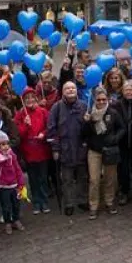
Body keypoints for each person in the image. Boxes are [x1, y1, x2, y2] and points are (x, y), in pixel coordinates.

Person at [46, 81, 88, 217]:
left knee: (82, 177)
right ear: (63, 91)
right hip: (65, 150)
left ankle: (82, 200)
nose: (70, 90)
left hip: (81, 148)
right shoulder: (56, 108)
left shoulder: (83, 106)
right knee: (67, 179)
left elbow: (89, 129)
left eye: (73, 88)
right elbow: (51, 130)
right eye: (67, 88)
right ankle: (69, 203)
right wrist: (55, 149)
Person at [82, 87, 124, 220]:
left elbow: (122, 128)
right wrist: (86, 122)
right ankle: (93, 205)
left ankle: (109, 202)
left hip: (110, 150)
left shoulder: (113, 112)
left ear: (107, 100)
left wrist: (115, 139)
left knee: (110, 178)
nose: (101, 102)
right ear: (94, 99)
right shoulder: (89, 113)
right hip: (94, 151)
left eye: (103, 99)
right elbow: (83, 134)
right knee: (94, 180)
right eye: (98, 99)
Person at [14, 89, 51, 215]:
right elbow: (18, 134)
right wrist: (25, 125)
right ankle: (36, 201)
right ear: (23, 101)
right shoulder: (20, 115)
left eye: (32, 97)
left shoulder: (43, 111)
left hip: (42, 150)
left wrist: (43, 134)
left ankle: (44, 200)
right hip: (28, 152)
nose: (30, 100)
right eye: (27, 98)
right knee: (33, 179)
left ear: (36, 98)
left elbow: (49, 127)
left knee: (43, 177)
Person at [0, 129, 26, 234]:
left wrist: (21, 182)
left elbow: (17, 169)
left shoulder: (12, 155)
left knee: (16, 204)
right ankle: (8, 222)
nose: (5, 146)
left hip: (14, 185)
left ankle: (16, 220)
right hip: (3, 186)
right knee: (6, 206)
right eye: (2, 144)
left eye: (7, 144)